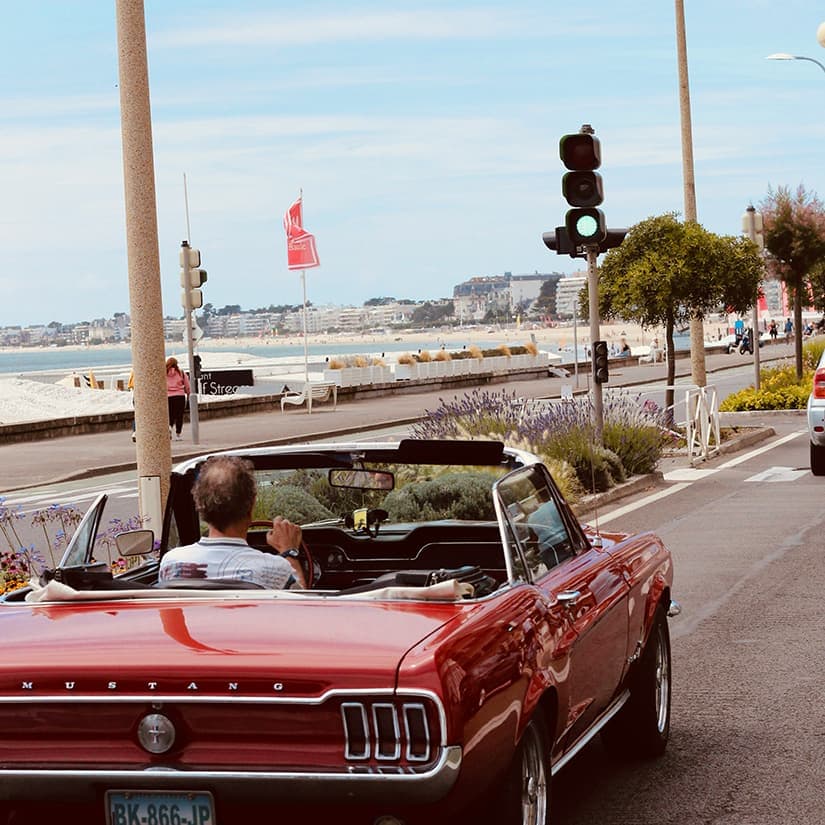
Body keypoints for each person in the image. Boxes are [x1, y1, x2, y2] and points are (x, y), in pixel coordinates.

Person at [158, 455, 307, 589]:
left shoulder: (171, 563)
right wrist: (289, 552)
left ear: (199, 504)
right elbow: (303, 608)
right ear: (252, 505)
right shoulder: (275, 569)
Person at [166, 356, 190, 441]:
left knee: (170, 415)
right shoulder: (181, 373)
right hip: (180, 396)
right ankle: (178, 434)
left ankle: (169, 429)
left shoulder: (164, 373)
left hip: (168, 397)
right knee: (179, 416)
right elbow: (187, 385)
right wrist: (188, 393)